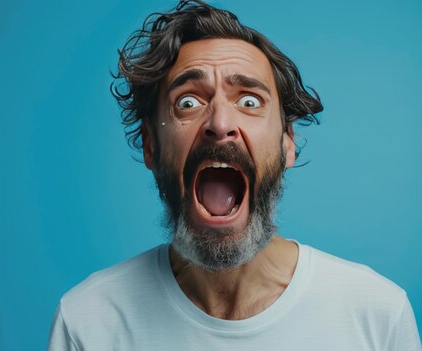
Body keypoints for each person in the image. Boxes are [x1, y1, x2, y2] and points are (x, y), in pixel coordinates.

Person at [48, 1, 421, 349]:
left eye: (249, 101)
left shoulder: (377, 316)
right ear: (150, 145)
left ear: (287, 143)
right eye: (188, 102)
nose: (220, 123)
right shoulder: (88, 321)